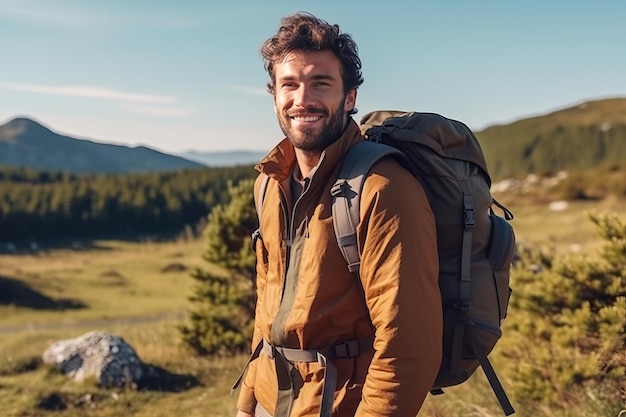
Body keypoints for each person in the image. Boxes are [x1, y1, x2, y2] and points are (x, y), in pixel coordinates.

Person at [235, 12, 442, 417]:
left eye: (321, 84)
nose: (302, 99)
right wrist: (248, 402)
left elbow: (408, 341)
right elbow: (267, 305)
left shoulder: (383, 187)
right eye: (289, 85)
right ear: (274, 94)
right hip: (270, 400)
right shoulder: (270, 182)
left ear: (349, 98)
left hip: (340, 404)